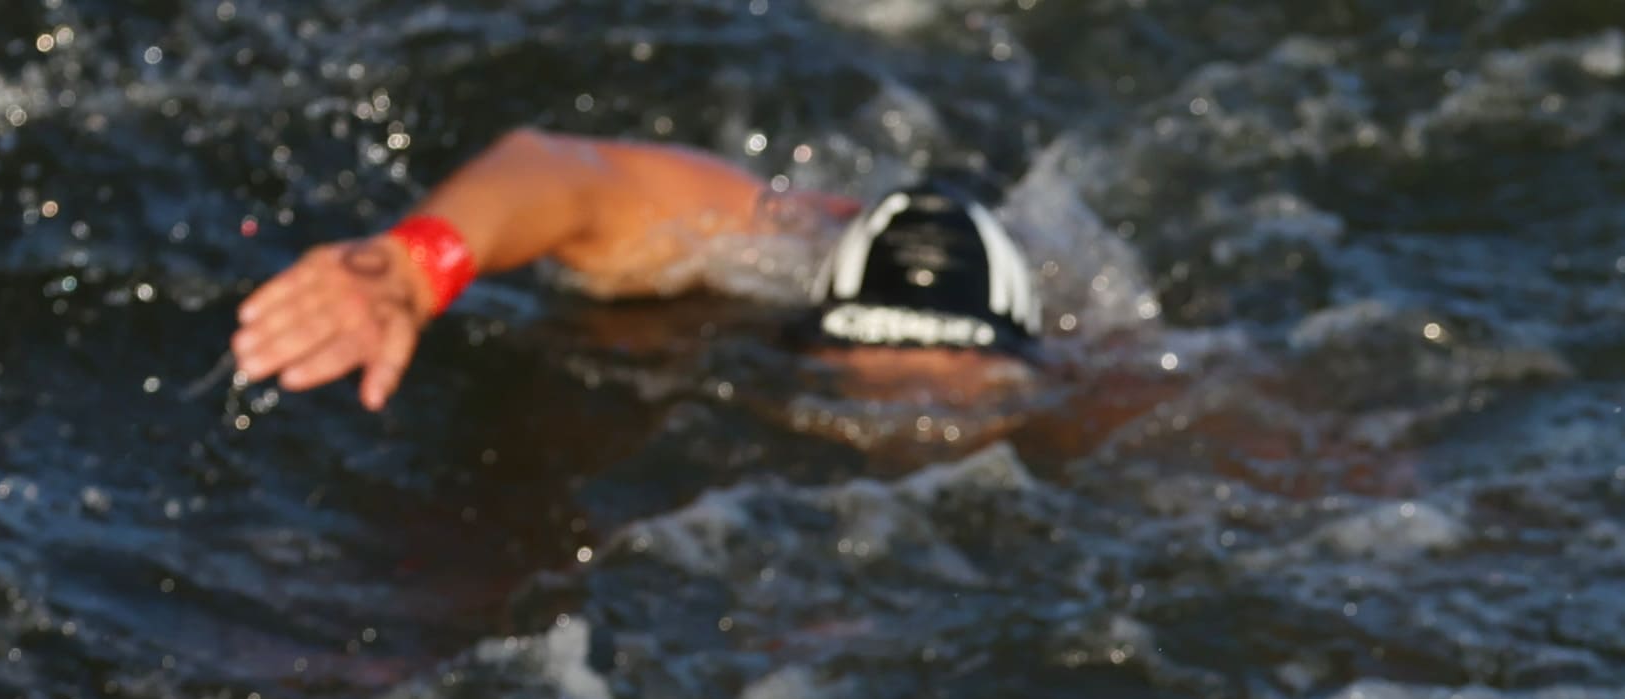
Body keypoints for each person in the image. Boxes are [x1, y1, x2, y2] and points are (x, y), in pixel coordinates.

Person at [231, 141, 1052, 416]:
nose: (904, 413)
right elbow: (564, 171)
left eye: (947, 390)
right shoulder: (757, 250)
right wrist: (415, 266)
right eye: (857, 385)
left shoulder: (1119, 385)